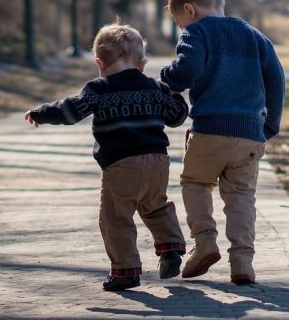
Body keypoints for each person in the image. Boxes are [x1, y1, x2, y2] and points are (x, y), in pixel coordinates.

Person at [24, 23, 189, 291]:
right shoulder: (155, 87)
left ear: (99, 62)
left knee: (115, 218)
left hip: (122, 164)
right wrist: (176, 94)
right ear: (142, 64)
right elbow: (177, 117)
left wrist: (42, 113)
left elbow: (71, 111)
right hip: (158, 162)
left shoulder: (98, 89)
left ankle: (125, 270)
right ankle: (170, 249)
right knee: (156, 206)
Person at [160, 0, 285, 284]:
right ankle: (242, 260)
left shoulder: (196, 32)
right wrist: (270, 123)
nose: (181, 27)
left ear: (189, 10)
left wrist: (166, 77)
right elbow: (276, 78)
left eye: (179, 22)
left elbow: (185, 72)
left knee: (195, 183)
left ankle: (204, 243)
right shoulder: (254, 35)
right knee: (242, 196)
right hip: (249, 135)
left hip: (209, 130)